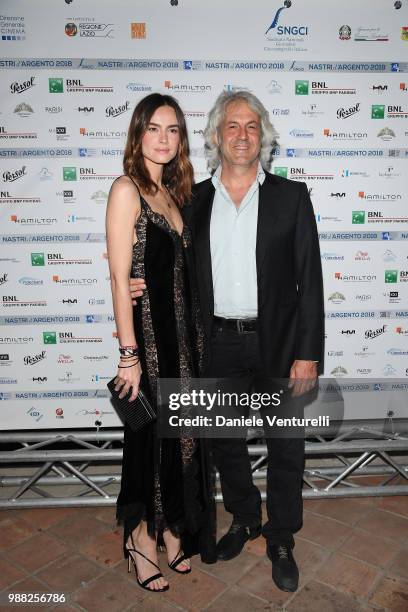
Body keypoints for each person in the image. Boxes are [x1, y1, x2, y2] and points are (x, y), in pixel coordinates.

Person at [130, 89, 324, 593]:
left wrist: (308, 354)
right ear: (217, 136)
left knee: (287, 446)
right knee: (224, 444)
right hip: (214, 343)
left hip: (279, 345)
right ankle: (244, 517)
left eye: (251, 126)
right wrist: (136, 280)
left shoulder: (292, 196)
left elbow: (311, 281)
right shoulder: (192, 200)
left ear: (264, 136)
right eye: (232, 126)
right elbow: (168, 261)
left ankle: (281, 536)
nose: (242, 135)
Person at [106, 93, 216, 594]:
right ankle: (140, 541)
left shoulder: (173, 194)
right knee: (149, 442)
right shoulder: (126, 189)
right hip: (149, 342)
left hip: (184, 342)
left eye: (173, 130)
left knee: (181, 442)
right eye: (154, 128)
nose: (164, 138)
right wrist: (128, 356)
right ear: (138, 133)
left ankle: (171, 526)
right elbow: (117, 277)